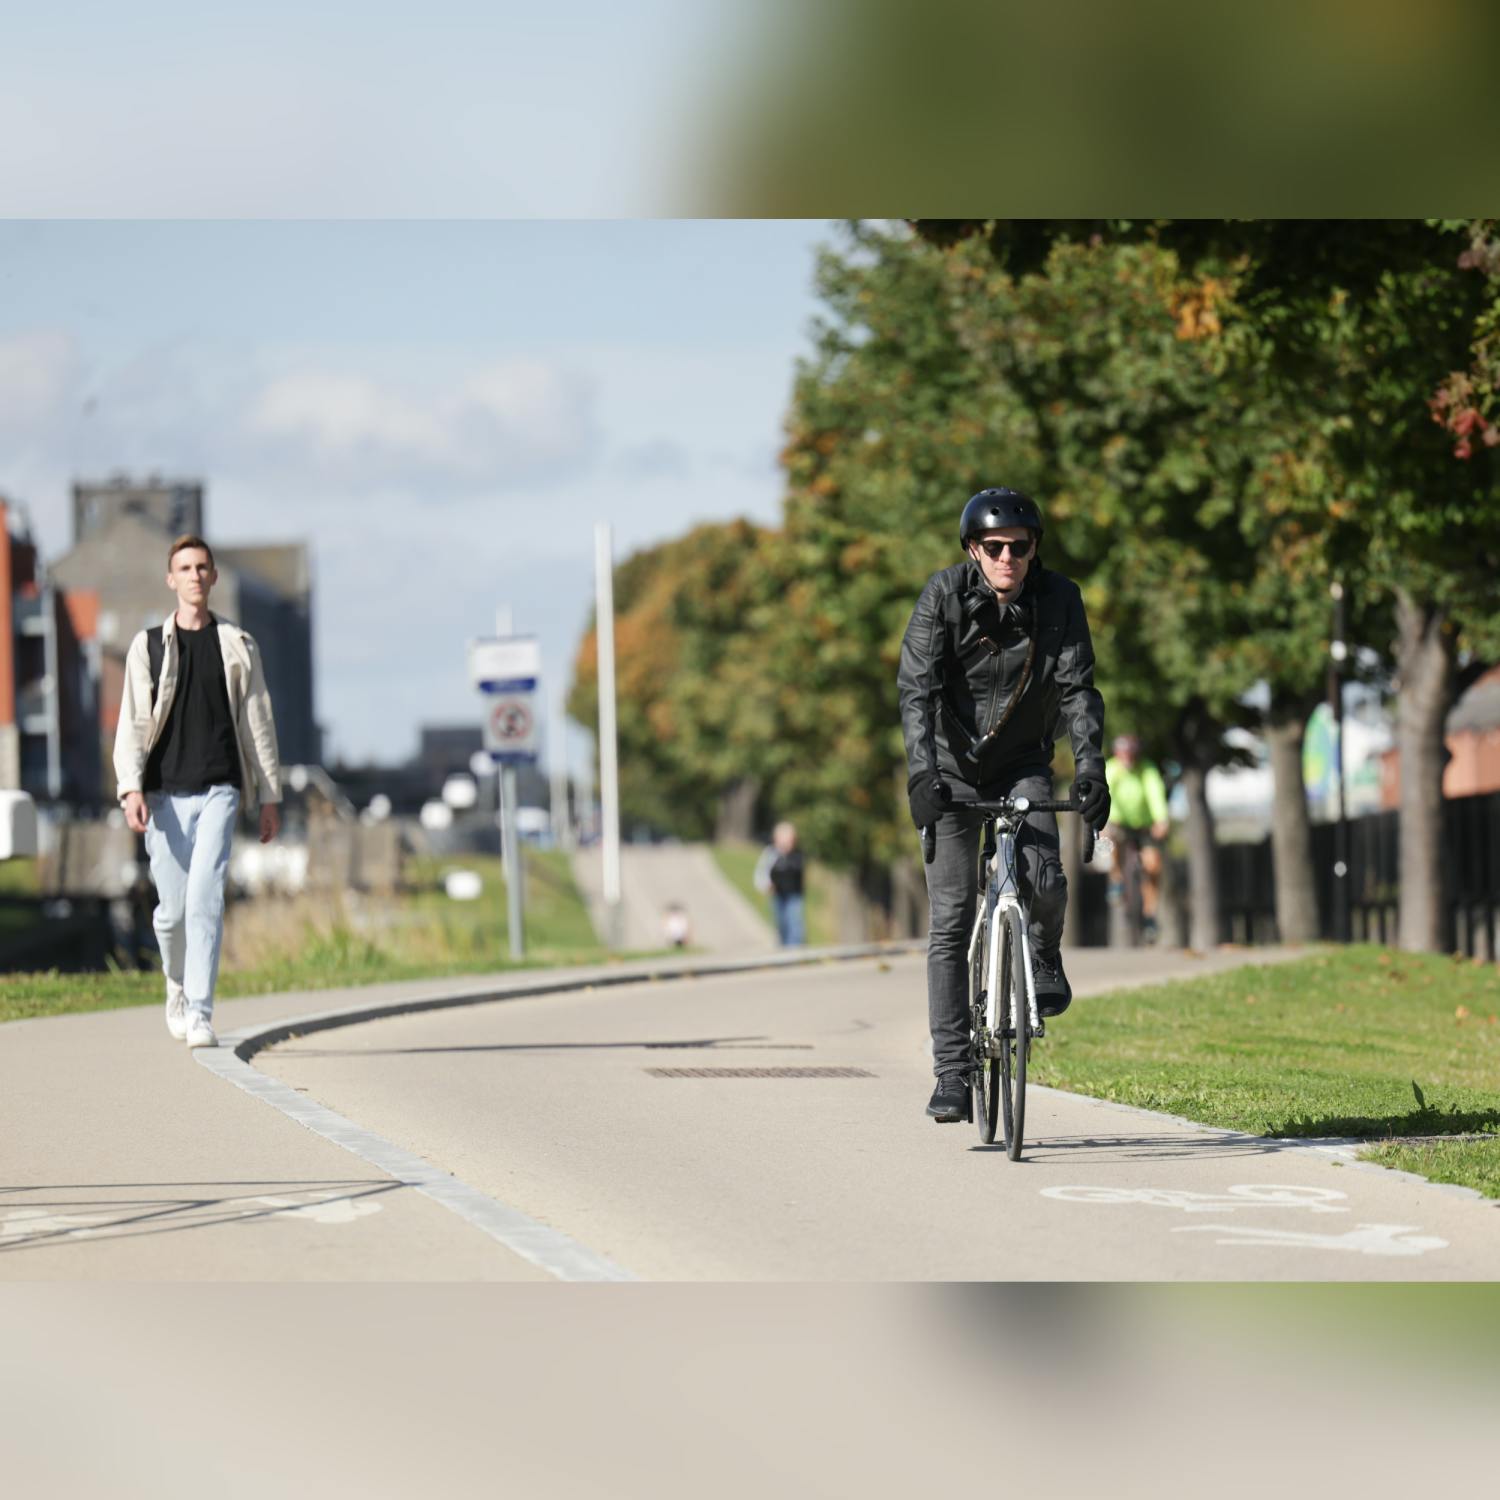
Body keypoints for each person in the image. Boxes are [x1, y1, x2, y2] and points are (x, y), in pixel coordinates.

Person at [898, 488, 1110, 1123]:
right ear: (973, 550)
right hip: (952, 769)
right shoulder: (942, 597)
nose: (1007, 558)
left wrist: (1093, 769)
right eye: (994, 548)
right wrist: (922, 774)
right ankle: (953, 1073)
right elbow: (916, 690)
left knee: (1046, 880)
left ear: (1034, 549)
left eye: (1019, 547)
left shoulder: (1060, 599)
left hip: (1022, 763)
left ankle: (1043, 953)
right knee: (952, 918)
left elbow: (1078, 691)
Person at [113, 534, 283, 1049]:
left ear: (212, 577)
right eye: (184, 568)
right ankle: (177, 985)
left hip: (220, 788)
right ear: (172, 580)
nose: (193, 575)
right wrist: (130, 789)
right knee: (172, 911)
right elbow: (133, 724)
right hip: (163, 793)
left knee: (205, 898)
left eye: (201, 567)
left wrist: (270, 794)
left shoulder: (238, 645)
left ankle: (203, 1013)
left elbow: (258, 722)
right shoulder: (147, 647)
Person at [1104, 734, 1170, 941]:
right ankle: (1116, 880)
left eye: (1131, 755)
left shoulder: (1147, 769)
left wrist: (1161, 819)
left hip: (1143, 824)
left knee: (1153, 865)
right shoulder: (1112, 768)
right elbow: (1106, 794)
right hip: (1119, 821)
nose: (1127, 760)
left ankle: (1150, 915)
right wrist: (1106, 822)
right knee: (1112, 843)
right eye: (1123, 755)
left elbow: (1155, 793)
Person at [753, 821, 806, 946]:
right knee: (781, 924)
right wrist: (766, 886)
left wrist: (786, 855)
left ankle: (795, 952)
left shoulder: (797, 854)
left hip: (794, 895)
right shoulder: (771, 853)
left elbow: (797, 869)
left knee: (794, 923)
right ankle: (783, 949)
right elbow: (762, 872)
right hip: (778, 895)